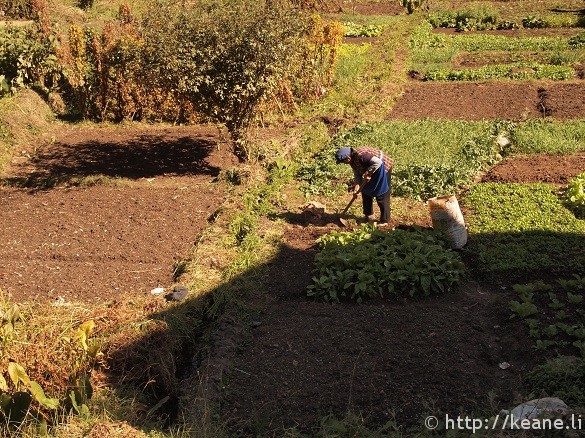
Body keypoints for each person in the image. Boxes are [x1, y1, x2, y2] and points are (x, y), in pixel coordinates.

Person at [335, 146, 393, 225]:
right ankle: (369, 215)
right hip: (371, 169)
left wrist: (368, 172)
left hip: (382, 167)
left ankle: (385, 220)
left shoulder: (362, 156)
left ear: (348, 158)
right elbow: (357, 174)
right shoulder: (352, 160)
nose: (345, 163)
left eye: (344, 161)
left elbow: (378, 162)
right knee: (365, 192)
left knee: (382, 195)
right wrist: (357, 186)